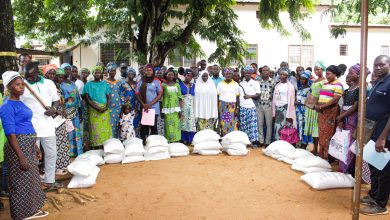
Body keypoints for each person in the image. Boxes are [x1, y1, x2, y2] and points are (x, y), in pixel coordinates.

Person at [0, 71, 48, 219]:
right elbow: (10, 133)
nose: (21, 87)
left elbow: (26, 125)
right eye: (17, 85)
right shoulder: (7, 106)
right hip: (18, 146)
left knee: (30, 179)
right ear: (9, 87)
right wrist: (21, 156)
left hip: (28, 144)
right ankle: (20, 214)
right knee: (19, 182)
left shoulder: (20, 103)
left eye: (22, 84)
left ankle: (30, 210)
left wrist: (34, 147)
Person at [21, 62, 62, 190]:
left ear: (38, 73)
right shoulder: (23, 85)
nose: (29, 78)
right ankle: (33, 184)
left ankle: (50, 181)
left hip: (48, 126)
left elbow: (56, 100)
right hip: (30, 127)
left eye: (32, 76)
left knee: (51, 154)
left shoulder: (49, 84)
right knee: (33, 157)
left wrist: (54, 109)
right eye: (27, 76)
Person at [360, 55, 390, 216]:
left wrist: (383, 137)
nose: (378, 68)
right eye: (375, 65)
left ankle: (380, 204)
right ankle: (374, 195)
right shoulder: (379, 81)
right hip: (373, 131)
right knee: (374, 165)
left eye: (382, 65)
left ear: (389, 65)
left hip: (383, 133)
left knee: (384, 170)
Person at [336, 64, 371, 182]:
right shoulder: (348, 90)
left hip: (353, 119)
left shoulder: (361, 88)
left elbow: (356, 106)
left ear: (358, 75)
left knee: (352, 145)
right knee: (344, 142)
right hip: (345, 119)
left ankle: (349, 170)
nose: (348, 75)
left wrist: (342, 116)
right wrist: (340, 119)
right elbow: (343, 105)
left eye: (351, 73)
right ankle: (343, 167)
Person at [43, 67, 71, 175]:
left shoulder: (58, 87)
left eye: (54, 73)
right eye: (50, 73)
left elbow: (61, 101)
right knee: (54, 144)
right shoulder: (46, 87)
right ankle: (54, 168)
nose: (53, 75)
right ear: (45, 75)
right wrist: (56, 111)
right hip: (53, 119)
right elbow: (46, 104)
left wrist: (63, 110)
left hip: (60, 119)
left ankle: (62, 166)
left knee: (62, 142)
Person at [315, 65, 343, 160]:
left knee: (328, 133)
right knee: (321, 132)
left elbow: (335, 100)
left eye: (329, 74)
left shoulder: (338, 85)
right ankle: (321, 154)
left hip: (331, 111)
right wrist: (318, 105)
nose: (326, 75)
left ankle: (328, 156)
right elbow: (320, 96)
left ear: (335, 74)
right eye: (326, 73)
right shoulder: (325, 84)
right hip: (322, 112)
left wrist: (322, 106)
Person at [83, 66, 112, 148]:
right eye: (95, 72)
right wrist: (97, 108)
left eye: (99, 72)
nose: (97, 74)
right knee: (95, 130)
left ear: (101, 73)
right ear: (93, 73)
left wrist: (106, 107)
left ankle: (105, 147)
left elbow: (109, 97)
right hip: (93, 110)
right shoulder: (88, 85)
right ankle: (95, 148)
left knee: (105, 130)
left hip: (104, 110)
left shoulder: (105, 84)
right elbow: (87, 99)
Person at [58, 69, 83, 157]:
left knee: (76, 132)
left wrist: (80, 111)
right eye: (66, 69)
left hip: (75, 112)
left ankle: (77, 152)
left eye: (69, 69)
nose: (68, 71)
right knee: (68, 133)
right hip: (65, 113)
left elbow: (77, 97)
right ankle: (69, 154)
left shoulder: (72, 83)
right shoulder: (59, 85)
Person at [135, 64, 163, 143]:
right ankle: (144, 143)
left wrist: (149, 104)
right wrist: (143, 104)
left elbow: (159, 94)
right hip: (144, 108)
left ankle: (154, 144)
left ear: (153, 71)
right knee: (144, 127)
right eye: (147, 70)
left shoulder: (157, 81)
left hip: (153, 108)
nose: (148, 72)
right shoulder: (141, 81)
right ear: (144, 71)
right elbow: (136, 93)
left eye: (150, 70)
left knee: (153, 126)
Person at [305, 61, 326, 155]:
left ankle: (317, 149)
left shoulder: (324, 81)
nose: (316, 71)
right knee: (312, 128)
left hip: (317, 107)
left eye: (318, 69)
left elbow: (323, 95)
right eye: (315, 69)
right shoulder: (315, 81)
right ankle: (314, 147)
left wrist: (318, 105)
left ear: (322, 69)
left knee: (316, 128)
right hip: (311, 107)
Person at [272, 68, 296, 140]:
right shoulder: (277, 85)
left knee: (285, 128)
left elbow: (291, 101)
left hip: (285, 109)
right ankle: (278, 142)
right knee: (277, 126)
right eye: (280, 74)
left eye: (284, 74)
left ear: (287, 76)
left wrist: (289, 114)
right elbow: (274, 98)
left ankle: (284, 143)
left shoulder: (290, 86)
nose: (282, 76)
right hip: (278, 109)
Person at [239, 66, 260, 146]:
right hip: (242, 106)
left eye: (249, 72)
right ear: (243, 73)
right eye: (245, 72)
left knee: (252, 125)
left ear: (251, 73)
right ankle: (245, 142)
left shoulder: (255, 83)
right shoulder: (241, 83)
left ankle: (252, 142)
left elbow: (258, 95)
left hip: (251, 106)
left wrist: (249, 96)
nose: (247, 74)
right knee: (243, 125)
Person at [255, 65, 275, 147]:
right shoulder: (257, 82)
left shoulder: (273, 82)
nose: (265, 72)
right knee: (259, 124)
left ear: (269, 72)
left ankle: (267, 141)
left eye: (267, 70)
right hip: (259, 105)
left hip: (268, 106)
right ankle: (261, 141)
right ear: (261, 71)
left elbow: (274, 95)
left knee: (269, 124)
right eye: (263, 70)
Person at [217, 68, 240, 136]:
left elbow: (237, 97)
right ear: (224, 74)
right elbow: (217, 97)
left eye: (230, 74)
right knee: (223, 123)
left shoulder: (235, 84)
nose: (228, 75)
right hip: (222, 106)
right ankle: (224, 138)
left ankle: (232, 139)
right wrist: (217, 107)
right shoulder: (220, 84)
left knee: (233, 123)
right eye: (227, 74)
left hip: (232, 106)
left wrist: (237, 108)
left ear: (232, 75)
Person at [161, 70, 182, 142]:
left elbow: (180, 98)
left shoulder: (177, 85)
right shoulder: (163, 85)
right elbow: (161, 98)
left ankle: (177, 140)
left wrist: (180, 110)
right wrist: (162, 110)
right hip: (167, 108)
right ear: (166, 76)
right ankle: (169, 140)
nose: (170, 76)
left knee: (176, 124)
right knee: (168, 125)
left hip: (176, 109)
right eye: (169, 75)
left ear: (174, 76)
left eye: (172, 75)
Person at [105, 64, 123, 138]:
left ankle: (116, 142)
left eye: (114, 71)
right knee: (108, 124)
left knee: (117, 124)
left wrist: (122, 105)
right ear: (108, 72)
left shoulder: (119, 82)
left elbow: (121, 94)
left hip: (117, 107)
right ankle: (109, 141)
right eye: (111, 71)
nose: (112, 72)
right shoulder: (104, 82)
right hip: (108, 106)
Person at [179, 69, 196, 144]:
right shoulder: (179, 84)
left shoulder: (194, 85)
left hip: (192, 107)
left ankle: (190, 139)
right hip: (182, 106)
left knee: (191, 122)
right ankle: (183, 139)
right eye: (187, 75)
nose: (189, 77)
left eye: (191, 76)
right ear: (184, 75)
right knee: (183, 122)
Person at [122, 67, 141, 137]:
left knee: (136, 122)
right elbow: (121, 94)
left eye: (132, 73)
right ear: (127, 74)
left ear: (134, 75)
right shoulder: (124, 84)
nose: (130, 74)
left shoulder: (137, 84)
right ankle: (127, 138)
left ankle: (136, 138)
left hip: (136, 106)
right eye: (129, 73)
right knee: (127, 123)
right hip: (127, 107)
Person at [295, 70, 312, 148]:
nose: (302, 80)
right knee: (299, 126)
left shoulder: (309, 90)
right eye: (301, 79)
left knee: (305, 126)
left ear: (307, 80)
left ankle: (304, 143)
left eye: (304, 79)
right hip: (298, 111)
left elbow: (307, 101)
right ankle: (299, 141)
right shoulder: (299, 89)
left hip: (305, 111)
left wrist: (298, 102)